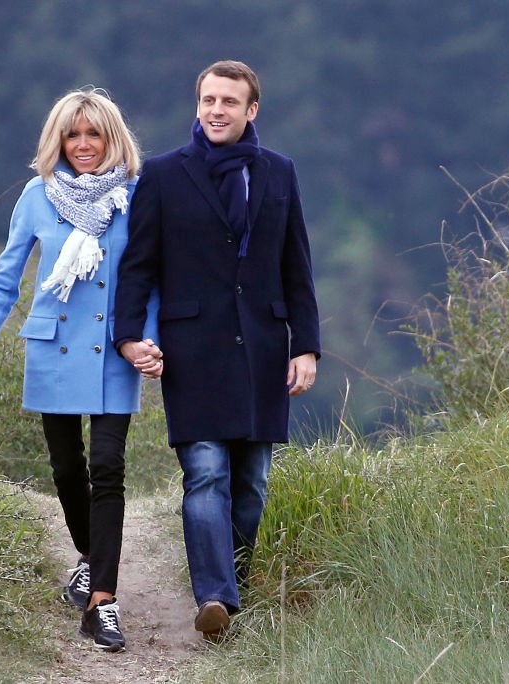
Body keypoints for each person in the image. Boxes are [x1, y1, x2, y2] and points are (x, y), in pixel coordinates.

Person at [113, 60, 320, 641]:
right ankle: (214, 598)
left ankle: (238, 592)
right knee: (205, 474)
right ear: (197, 105)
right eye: (207, 100)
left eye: (229, 101)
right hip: (193, 349)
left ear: (251, 110)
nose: (216, 110)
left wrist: (306, 347)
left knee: (251, 481)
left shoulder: (279, 173)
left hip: (261, 347)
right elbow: (138, 267)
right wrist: (129, 337)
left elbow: (296, 267)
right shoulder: (163, 175)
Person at [0, 87, 160, 652]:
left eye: (93, 134)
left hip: (113, 350)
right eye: (73, 135)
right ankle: (91, 557)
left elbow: (154, 280)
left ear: (112, 138)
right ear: (58, 140)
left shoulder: (138, 196)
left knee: (108, 467)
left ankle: (103, 602)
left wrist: (151, 342)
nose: (83, 145)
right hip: (52, 348)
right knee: (68, 469)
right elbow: (5, 277)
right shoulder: (36, 196)